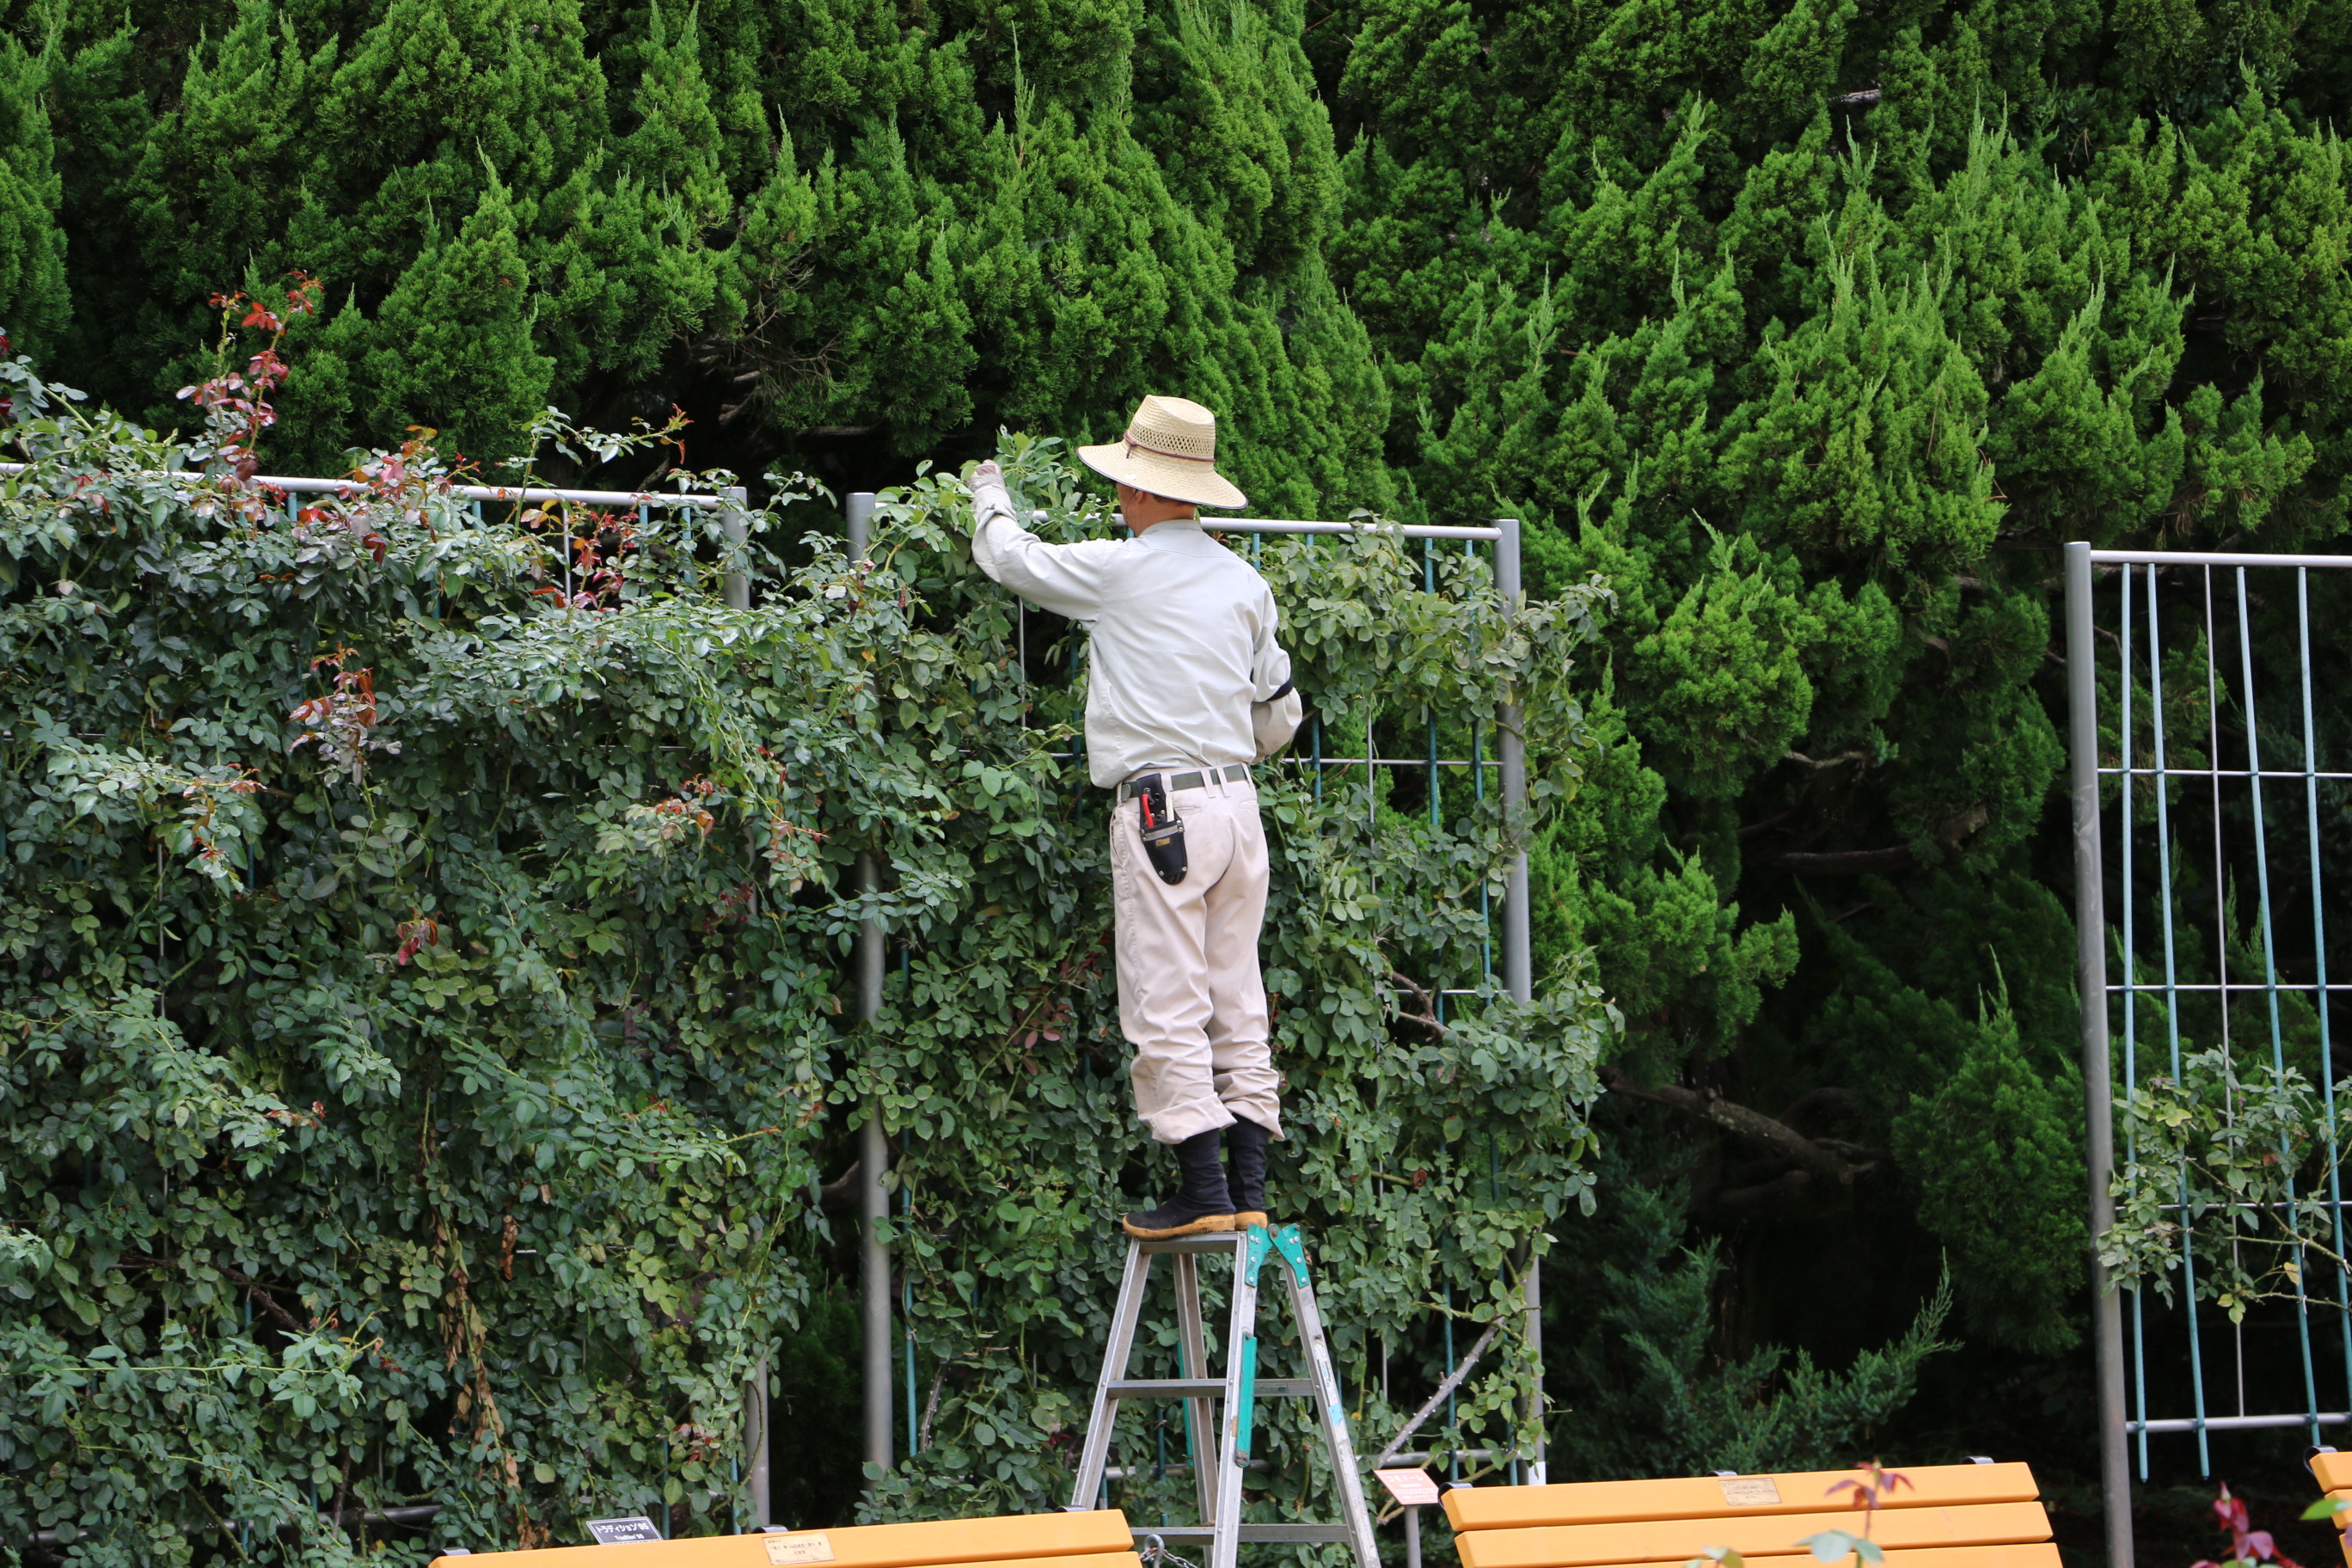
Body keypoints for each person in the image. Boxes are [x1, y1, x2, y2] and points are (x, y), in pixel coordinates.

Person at [965, 395, 1303, 1239]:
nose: (1120, 497)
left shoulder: (1122, 571)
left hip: (1162, 810)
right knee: (1238, 992)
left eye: (1124, 483)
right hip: (1238, 805)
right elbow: (1279, 716)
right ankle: (1250, 1187)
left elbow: (1014, 561)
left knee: (1167, 995)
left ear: (1145, 492)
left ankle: (1202, 1193)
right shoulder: (1246, 583)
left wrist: (988, 494)